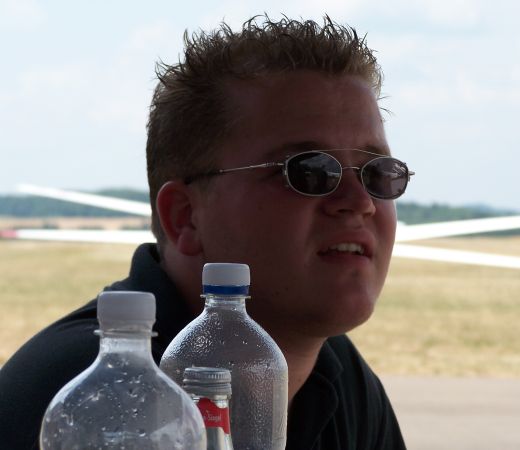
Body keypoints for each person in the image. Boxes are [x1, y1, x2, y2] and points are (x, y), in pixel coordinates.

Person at [0, 16, 412, 449]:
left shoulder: (338, 377)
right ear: (185, 217)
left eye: (379, 173)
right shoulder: (91, 401)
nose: (360, 201)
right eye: (309, 171)